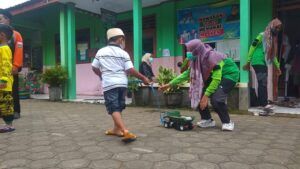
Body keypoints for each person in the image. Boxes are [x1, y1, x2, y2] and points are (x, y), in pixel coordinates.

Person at [159, 39, 239, 131]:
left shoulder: (213, 57)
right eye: (187, 50)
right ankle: (207, 120)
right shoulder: (196, 60)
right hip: (214, 76)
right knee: (197, 94)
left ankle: (227, 122)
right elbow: (186, 74)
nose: (188, 53)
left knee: (216, 99)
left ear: (197, 50)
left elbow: (217, 79)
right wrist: (169, 84)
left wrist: (206, 96)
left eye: (190, 50)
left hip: (229, 75)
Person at [91, 28, 150, 142]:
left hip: (109, 84)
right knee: (118, 106)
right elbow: (130, 70)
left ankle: (124, 131)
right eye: (123, 39)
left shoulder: (101, 52)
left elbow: (94, 67)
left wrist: (101, 75)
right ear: (119, 39)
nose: (123, 41)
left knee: (113, 107)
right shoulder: (124, 53)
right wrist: (143, 78)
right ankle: (116, 129)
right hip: (122, 83)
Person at [243, 18, 282, 112]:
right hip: (257, 61)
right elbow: (252, 46)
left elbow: (273, 56)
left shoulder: (272, 39)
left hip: (263, 62)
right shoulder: (261, 35)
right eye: (276, 27)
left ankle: (262, 102)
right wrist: (248, 61)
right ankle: (264, 104)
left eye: (279, 28)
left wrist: (277, 67)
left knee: (263, 82)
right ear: (272, 26)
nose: (277, 30)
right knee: (263, 82)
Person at [0, 9, 23, 119]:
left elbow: (19, 50)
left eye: (0, 19)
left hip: (12, 68)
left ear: (7, 20)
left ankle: (16, 111)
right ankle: (4, 112)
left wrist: (16, 65)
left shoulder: (16, 34)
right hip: (1, 69)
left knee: (13, 90)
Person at [0, 23, 15, 133]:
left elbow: (6, 65)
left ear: (2, 35)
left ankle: (9, 125)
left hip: (4, 84)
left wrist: (3, 80)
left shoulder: (4, 48)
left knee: (6, 104)